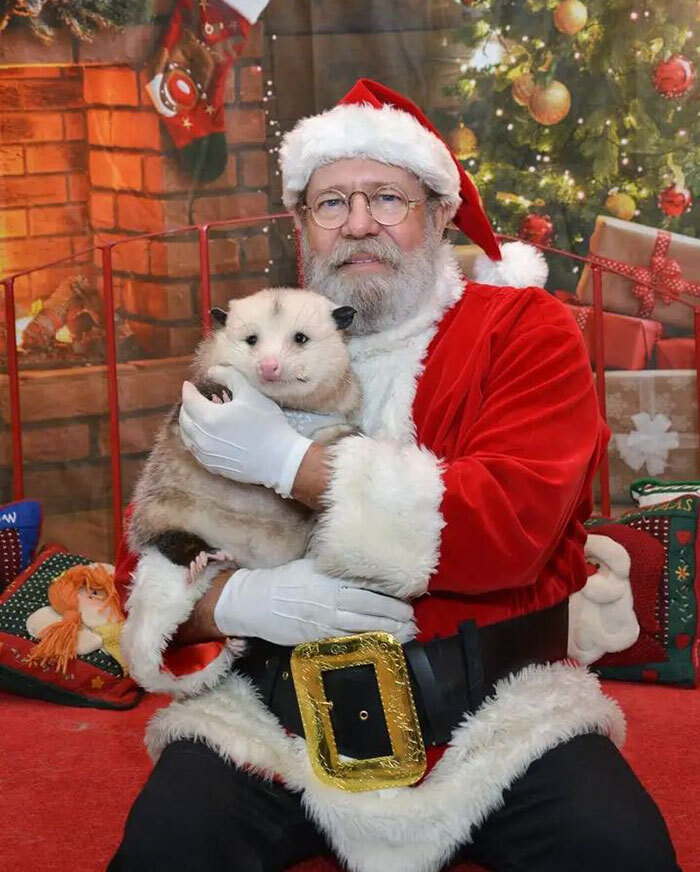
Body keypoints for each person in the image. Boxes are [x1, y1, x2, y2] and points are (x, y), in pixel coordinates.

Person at [110, 79, 678, 872]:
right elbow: (155, 537)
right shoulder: (263, 342)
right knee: (165, 850)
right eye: (331, 203)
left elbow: (508, 524)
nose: (359, 225)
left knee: (622, 853)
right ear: (304, 224)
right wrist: (233, 600)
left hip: (499, 718)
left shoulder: (524, 330)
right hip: (274, 718)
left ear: (440, 212)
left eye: (387, 197)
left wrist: (289, 464)